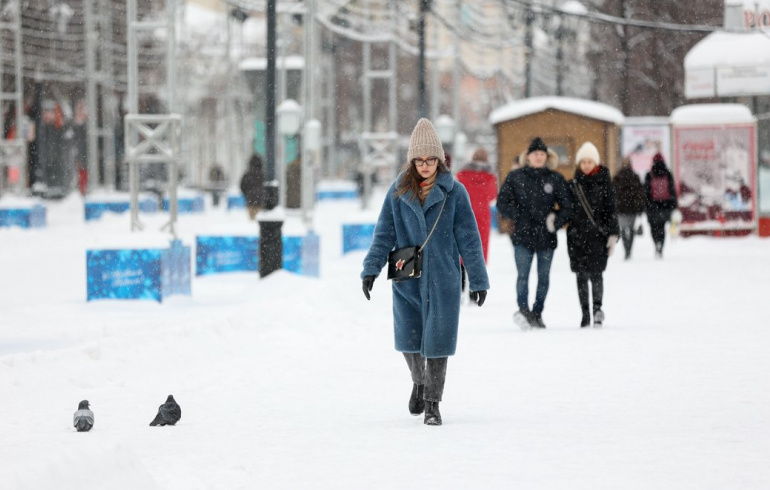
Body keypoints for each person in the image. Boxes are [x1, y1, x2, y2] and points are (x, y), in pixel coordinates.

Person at [360, 118, 489, 427]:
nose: (426, 165)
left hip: (443, 275)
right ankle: (419, 380)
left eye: (432, 159)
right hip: (406, 271)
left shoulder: (454, 192)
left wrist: (478, 278)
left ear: (440, 159)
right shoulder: (397, 191)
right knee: (409, 336)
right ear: (412, 160)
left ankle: (433, 403)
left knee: (438, 340)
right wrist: (371, 269)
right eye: (420, 160)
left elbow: (469, 237)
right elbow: (384, 234)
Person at [497, 137, 573, 329]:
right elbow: (502, 202)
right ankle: (523, 311)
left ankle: (537, 313)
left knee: (543, 277)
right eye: (535, 154)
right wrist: (517, 216)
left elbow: (567, 206)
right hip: (522, 236)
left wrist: (555, 220)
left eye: (542, 154)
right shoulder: (515, 177)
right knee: (522, 276)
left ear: (546, 157)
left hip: (546, 236)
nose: (538, 157)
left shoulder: (555, 179)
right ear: (527, 157)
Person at [567, 142, 620, 328]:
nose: (587, 165)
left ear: (595, 163)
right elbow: (566, 210)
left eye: (590, 161)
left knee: (597, 274)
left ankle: (597, 310)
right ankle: (585, 313)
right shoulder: (573, 185)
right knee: (581, 276)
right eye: (583, 161)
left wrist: (613, 234)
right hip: (577, 237)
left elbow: (611, 210)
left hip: (598, 236)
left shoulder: (604, 184)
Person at [456, 148, 498, 263]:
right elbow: (492, 196)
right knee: (480, 246)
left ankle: (462, 273)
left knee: (462, 244)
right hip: (482, 215)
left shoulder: (461, 175)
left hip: (464, 213)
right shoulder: (490, 177)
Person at [644, 153, 678, 258]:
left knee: (654, 227)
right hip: (665, 205)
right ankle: (660, 246)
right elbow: (672, 190)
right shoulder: (667, 173)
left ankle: (656, 243)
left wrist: (647, 205)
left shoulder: (649, 174)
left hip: (653, 206)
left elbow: (646, 192)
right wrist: (674, 204)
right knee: (662, 227)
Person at [612, 157, 646, 259]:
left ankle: (626, 249)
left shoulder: (617, 177)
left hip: (620, 208)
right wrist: (640, 207)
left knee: (623, 230)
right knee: (631, 229)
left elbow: (612, 193)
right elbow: (640, 194)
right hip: (632, 208)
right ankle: (629, 249)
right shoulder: (635, 176)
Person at [240, 154, 265, 220]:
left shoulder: (247, 174)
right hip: (261, 202)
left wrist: (247, 194)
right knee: (260, 221)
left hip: (250, 201)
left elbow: (242, 186)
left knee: (252, 222)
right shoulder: (263, 175)